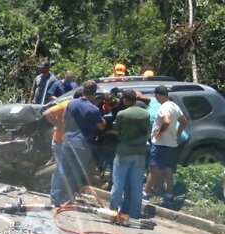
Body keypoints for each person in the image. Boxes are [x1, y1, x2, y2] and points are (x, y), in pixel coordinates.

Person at [61, 81, 106, 201]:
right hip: (82, 145)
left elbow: (64, 120)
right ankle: (70, 198)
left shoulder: (71, 103)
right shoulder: (94, 109)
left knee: (64, 170)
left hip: (68, 141)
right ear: (94, 93)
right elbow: (101, 126)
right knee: (76, 173)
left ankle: (58, 197)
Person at [109, 90, 150, 219]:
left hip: (123, 152)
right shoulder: (146, 114)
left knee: (118, 183)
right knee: (137, 185)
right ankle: (135, 213)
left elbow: (116, 130)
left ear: (125, 100)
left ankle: (114, 211)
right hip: (139, 153)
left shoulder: (122, 114)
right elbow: (149, 131)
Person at [148, 85, 188, 204]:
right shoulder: (174, 105)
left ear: (158, 95)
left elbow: (166, 121)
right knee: (167, 169)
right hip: (171, 143)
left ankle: (146, 192)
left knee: (153, 168)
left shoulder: (164, 107)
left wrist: (159, 133)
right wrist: (177, 134)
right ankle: (168, 193)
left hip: (161, 144)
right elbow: (184, 121)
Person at [43, 98, 71, 206]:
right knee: (61, 169)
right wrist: (59, 125)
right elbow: (47, 113)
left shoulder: (68, 105)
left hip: (60, 141)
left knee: (60, 168)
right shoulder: (66, 105)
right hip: (60, 141)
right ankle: (55, 196)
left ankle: (56, 195)